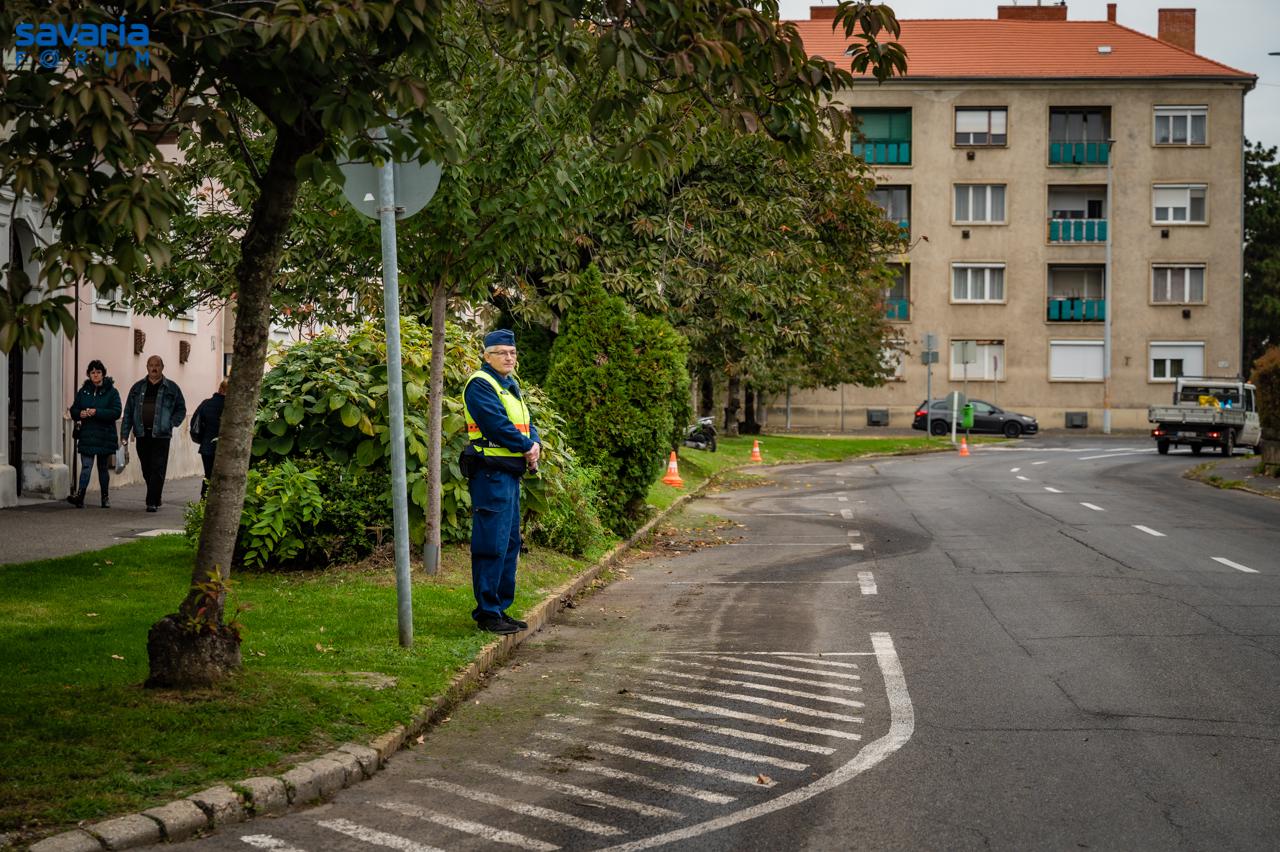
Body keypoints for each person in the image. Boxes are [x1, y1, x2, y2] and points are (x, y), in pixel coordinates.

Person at [461, 329, 541, 635]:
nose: (509, 358)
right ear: (487, 356)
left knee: (509, 543)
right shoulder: (481, 384)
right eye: (501, 353)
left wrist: (534, 444)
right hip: (490, 474)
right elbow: (496, 425)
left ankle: (500, 608)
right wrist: (526, 446)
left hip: (508, 474)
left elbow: (526, 423)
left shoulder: (510, 386)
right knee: (491, 543)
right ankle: (487, 613)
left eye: (512, 352)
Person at [120, 355, 187, 513]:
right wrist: (124, 435)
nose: (154, 368)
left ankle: (151, 501)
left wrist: (171, 423)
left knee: (158, 467)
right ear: (147, 367)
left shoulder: (172, 388)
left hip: (161, 435)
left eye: (157, 365)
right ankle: (156, 496)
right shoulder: (137, 388)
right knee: (146, 468)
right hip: (142, 434)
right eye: (151, 365)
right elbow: (128, 411)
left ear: (162, 367)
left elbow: (181, 409)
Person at [67, 359, 122, 508]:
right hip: (87, 434)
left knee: (102, 467)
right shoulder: (83, 391)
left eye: (98, 372)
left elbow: (116, 412)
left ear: (103, 374)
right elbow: (74, 410)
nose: (95, 375)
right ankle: (80, 496)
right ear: (89, 375)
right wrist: (80, 414)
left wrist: (97, 412)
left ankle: (105, 498)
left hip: (104, 435)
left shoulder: (112, 392)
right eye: (92, 372)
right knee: (86, 466)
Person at [191, 378, 227, 498]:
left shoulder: (206, 403)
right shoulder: (233, 407)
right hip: (227, 448)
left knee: (208, 475)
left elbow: (194, 423)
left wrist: (203, 439)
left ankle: (204, 500)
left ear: (220, 388)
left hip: (207, 447)